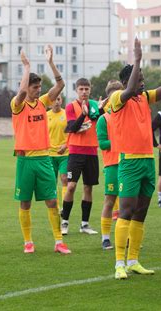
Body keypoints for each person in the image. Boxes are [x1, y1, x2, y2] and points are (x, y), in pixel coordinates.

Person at [110, 35, 161, 280]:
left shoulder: (144, 98)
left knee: (141, 213)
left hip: (148, 161)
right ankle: (119, 263)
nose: (143, 83)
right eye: (139, 79)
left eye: (143, 80)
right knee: (125, 211)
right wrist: (137, 60)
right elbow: (127, 90)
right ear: (128, 81)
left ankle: (134, 260)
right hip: (129, 162)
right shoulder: (118, 98)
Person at [11, 46, 70, 255]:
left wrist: (51, 62)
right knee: (25, 202)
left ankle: (58, 241)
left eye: (39, 87)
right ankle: (28, 241)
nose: (38, 90)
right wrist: (26, 67)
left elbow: (61, 84)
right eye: (35, 87)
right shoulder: (17, 105)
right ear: (27, 87)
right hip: (26, 160)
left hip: (44, 158)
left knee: (52, 201)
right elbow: (19, 95)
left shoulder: (43, 102)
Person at [61, 77, 103, 235]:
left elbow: (97, 119)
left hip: (92, 151)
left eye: (86, 89)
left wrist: (100, 109)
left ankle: (84, 224)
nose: (84, 92)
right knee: (71, 186)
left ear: (90, 89)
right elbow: (71, 127)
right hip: (75, 152)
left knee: (88, 188)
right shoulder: (71, 107)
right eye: (81, 89)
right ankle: (64, 222)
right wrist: (82, 115)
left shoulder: (94, 105)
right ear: (76, 90)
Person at [97, 80, 123, 250]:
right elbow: (103, 144)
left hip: (129, 163)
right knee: (109, 200)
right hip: (113, 165)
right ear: (109, 97)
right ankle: (105, 238)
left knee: (129, 203)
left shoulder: (126, 115)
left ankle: (126, 235)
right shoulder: (103, 119)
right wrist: (120, 142)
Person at [46, 93, 68, 212]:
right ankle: (56, 206)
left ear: (62, 100)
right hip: (50, 154)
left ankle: (65, 207)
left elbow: (72, 132)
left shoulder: (66, 114)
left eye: (58, 99)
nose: (56, 102)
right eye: (54, 99)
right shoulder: (45, 116)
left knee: (64, 178)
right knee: (51, 181)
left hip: (65, 153)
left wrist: (66, 145)